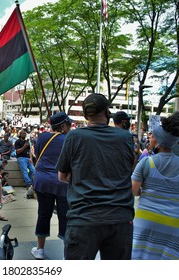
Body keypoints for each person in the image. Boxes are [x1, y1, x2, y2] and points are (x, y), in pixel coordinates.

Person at [56, 93, 135, 260]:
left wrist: (83, 177)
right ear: (107, 112)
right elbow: (129, 169)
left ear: (85, 116)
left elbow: (62, 176)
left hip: (83, 218)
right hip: (120, 218)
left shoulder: (74, 136)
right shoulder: (126, 137)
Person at [131, 111, 179, 259]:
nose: (150, 140)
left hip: (145, 220)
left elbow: (134, 190)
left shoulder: (146, 162)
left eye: (153, 137)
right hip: (174, 223)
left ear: (158, 142)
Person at [31, 112, 72, 260]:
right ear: (62, 125)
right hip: (63, 182)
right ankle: (68, 252)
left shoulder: (42, 137)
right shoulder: (69, 139)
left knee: (43, 214)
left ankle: (40, 249)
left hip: (42, 182)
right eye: (68, 124)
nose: (70, 127)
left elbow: (37, 154)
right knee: (65, 216)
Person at [14, 130, 35, 198]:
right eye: (23, 133)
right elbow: (18, 151)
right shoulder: (17, 142)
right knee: (24, 171)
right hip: (21, 158)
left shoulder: (27, 142)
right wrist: (24, 146)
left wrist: (31, 158)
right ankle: (29, 184)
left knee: (33, 170)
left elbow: (29, 151)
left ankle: (27, 181)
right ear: (20, 134)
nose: (24, 134)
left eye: (25, 133)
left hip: (28, 158)